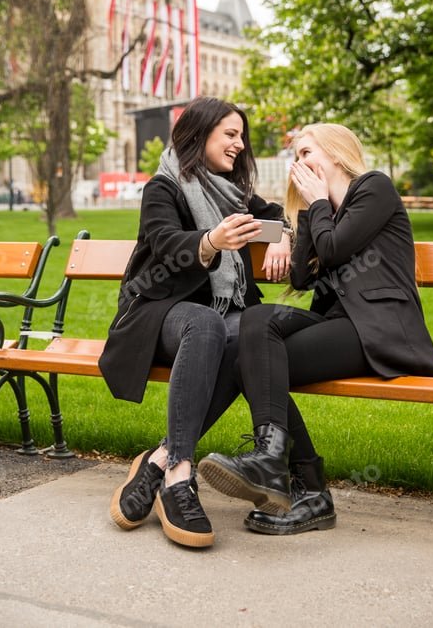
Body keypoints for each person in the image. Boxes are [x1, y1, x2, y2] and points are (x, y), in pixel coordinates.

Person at [199, 123, 433, 536]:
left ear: (335, 153)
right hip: (340, 323)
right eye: (296, 157)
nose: (300, 163)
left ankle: (298, 480)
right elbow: (299, 278)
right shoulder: (320, 209)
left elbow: (334, 249)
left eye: (307, 153)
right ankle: (280, 468)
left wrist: (318, 206)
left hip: (380, 328)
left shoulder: (375, 188)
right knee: (255, 331)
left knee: (250, 362)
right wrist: (293, 227)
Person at [98, 96, 291, 548]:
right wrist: (210, 241)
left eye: (241, 136)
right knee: (207, 324)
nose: (240, 144)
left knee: (247, 336)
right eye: (230, 134)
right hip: (155, 311)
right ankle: (181, 476)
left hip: (212, 319)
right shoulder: (162, 187)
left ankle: (161, 460)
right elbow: (165, 243)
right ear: (200, 133)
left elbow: (275, 214)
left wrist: (281, 236)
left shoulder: (235, 193)